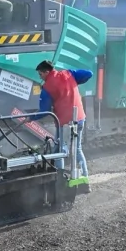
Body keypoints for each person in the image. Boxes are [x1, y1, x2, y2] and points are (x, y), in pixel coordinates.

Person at [34, 60, 92, 189]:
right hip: (80, 118)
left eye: (40, 74)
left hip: (64, 122)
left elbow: (44, 111)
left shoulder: (47, 87)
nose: (40, 77)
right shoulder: (68, 73)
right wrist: (75, 82)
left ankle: (60, 182)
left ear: (46, 72)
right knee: (77, 149)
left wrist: (30, 117)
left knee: (60, 150)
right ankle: (86, 181)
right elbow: (89, 73)